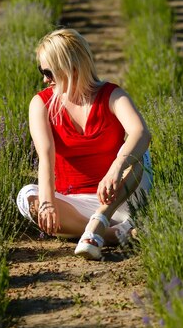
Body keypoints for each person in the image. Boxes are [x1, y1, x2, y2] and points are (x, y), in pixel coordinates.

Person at [16, 28, 152, 260]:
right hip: (73, 203)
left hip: (120, 195)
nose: (44, 79)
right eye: (42, 71)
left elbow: (141, 132)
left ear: (69, 69)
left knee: (140, 154)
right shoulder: (41, 104)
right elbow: (46, 156)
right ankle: (110, 234)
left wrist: (115, 169)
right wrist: (48, 203)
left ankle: (100, 221)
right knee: (27, 197)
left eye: (48, 72)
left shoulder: (112, 95)